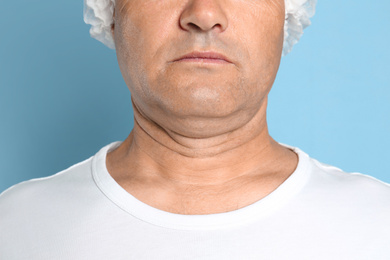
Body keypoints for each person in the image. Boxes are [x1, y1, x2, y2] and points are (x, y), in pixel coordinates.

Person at [1, 0, 389, 259]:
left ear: (286, 14)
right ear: (112, 13)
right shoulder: (15, 228)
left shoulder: (378, 226)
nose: (204, 14)